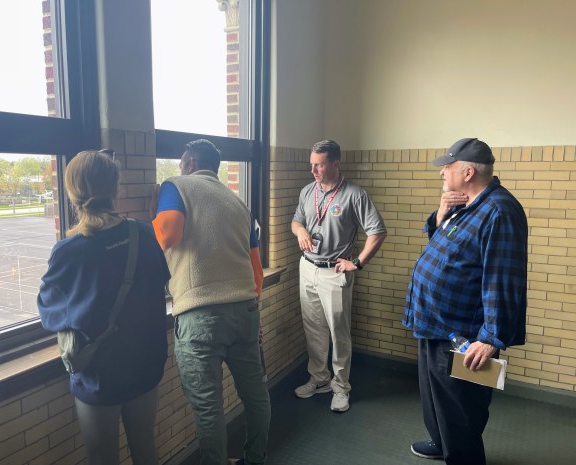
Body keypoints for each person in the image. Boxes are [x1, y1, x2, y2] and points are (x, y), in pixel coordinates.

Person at [38, 150, 170, 465]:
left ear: (72, 193)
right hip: (144, 363)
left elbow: (49, 311)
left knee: (102, 459)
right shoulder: (145, 233)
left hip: (99, 374)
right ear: (115, 189)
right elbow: (160, 283)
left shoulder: (69, 251)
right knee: (145, 449)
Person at [402, 137, 528, 465]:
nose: (443, 173)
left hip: (464, 335)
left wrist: (490, 338)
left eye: (448, 167)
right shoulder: (463, 204)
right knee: (435, 398)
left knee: (461, 409)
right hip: (434, 324)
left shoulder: (499, 211)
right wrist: (442, 212)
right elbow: (442, 246)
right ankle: (442, 443)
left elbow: (503, 278)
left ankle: (461, 455)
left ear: (468, 172)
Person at [151, 139, 270, 465]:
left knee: (208, 405)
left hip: (200, 314)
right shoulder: (238, 202)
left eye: (180, 164)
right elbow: (256, 272)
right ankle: (254, 459)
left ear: (188, 162)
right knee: (256, 396)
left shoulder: (176, 186)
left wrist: (155, 211)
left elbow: (168, 235)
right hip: (245, 309)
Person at [291, 139, 387, 413]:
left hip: (335, 271)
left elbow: (377, 231)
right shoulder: (308, 191)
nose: (313, 171)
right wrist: (301, 231)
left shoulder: (354, 195)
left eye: (319, 165)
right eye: (312, 165)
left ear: (335, 164)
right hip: (308, 267)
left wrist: (357, 262)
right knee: (313, 328)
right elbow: (296, 220)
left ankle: (341, 387)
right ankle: (319, 379)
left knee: (338, 331)